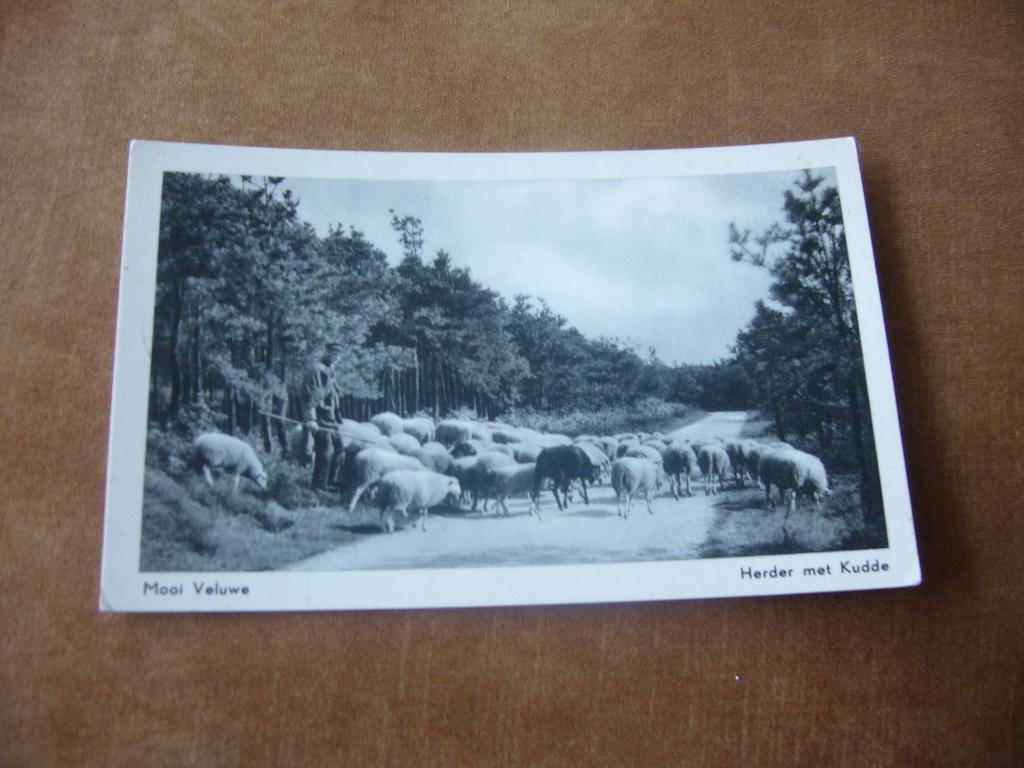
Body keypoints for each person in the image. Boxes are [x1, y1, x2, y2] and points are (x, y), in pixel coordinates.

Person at [299, 343, 345, 491]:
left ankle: (330, 481)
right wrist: (311, 419)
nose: (337, 357)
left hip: (331, 419)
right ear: (327, 352)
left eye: (339, 355)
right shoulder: (316, 370)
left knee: (339, 450)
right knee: (325, 452)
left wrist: (337, 417)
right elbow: (309, 396)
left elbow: (333, 397)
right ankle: (318, 486)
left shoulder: (330, 371)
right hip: (320, 419)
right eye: (334, 354)